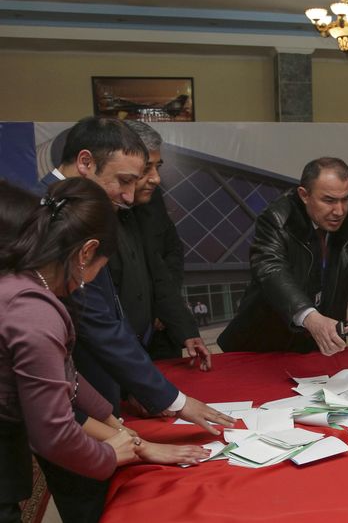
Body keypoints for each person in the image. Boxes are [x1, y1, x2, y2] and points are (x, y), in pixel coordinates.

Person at [40, 117, 235, 521]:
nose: (130, 195)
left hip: (89, 392)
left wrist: (122, 420)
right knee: (90, 504)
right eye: (124, 180)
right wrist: (171, 402)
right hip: (59, 405)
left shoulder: (88, 205)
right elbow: (92, 324)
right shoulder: (48, 213)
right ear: (86, 162)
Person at [0, 178, 208, 523]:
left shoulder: (29, 285)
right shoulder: (34, 313)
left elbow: (66, 377)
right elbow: (53, 433)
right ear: (86, 253)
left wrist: (125, 434)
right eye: (100, 267)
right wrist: (110, 455)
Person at [218, 157, 348, 355]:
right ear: (304, 195)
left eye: (346, 199)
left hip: (319, 347)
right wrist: (310, 317)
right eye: (329, 200)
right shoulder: (278, 219)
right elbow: (271, 271)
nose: (339, 211)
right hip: (264, 344)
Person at [122, 120, 207, 361]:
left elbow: (168, 254)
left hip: (161, 328)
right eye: (145, 168)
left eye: (157, 167)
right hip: (124, 340)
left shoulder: (153, 197)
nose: (156, 179)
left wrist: (170, 314)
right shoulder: (98, 213)